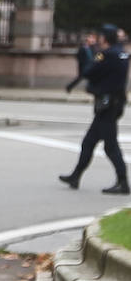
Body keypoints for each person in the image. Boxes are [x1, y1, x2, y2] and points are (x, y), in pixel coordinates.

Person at [59, 23, 129, 195]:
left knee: (110, 146)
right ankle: (75, 176)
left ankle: (123, 182)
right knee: (89, 142)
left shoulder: (105, 55)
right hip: (114, 103)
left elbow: (89, 71)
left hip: (106, 105)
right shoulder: (122, 54)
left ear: (104, 38)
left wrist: (91, 57)